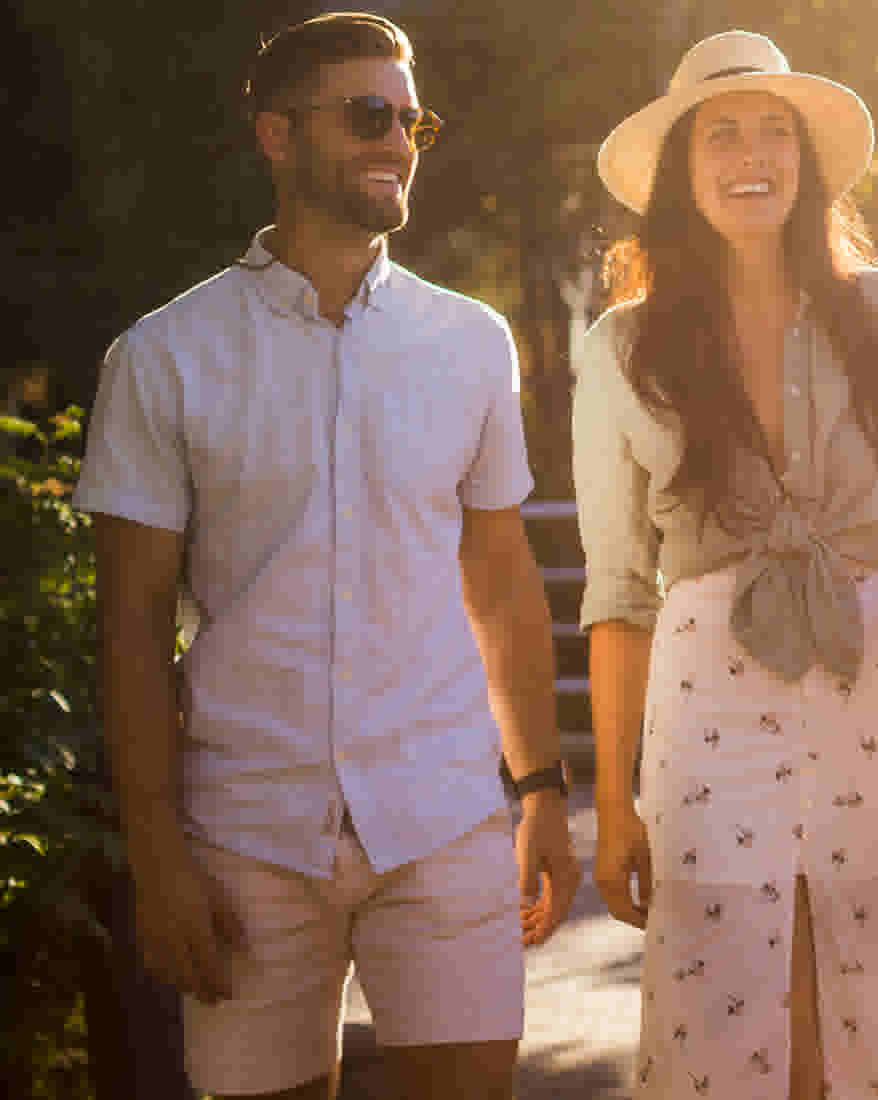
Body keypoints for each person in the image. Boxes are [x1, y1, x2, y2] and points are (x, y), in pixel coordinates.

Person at [75, 12, 579, 1098]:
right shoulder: (165, 356)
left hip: (442, 812)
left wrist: (540, 787)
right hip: (245, 834)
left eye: (411, 120)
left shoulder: (470, 343)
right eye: (367, 116)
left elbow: (498, 578)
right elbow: (129, 619)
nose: (396, 140)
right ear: (276, 134)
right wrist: (157, 856)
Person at [575, 31, 878, 1099]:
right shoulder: (621, 348)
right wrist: (614, 806)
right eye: (723, 134)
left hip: (877, 677)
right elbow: (619, 594)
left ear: (807, 163)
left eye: (775, 133)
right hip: (704, 692)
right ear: (682, 169)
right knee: (729, 987)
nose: (751, 154)